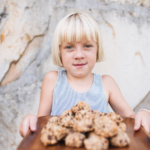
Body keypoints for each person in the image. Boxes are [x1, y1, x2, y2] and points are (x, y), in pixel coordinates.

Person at [19, 12, 150, 137]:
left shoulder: (107, 83)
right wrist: (31, 120)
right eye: (69, 47)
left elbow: (131, 121)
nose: (79, 55)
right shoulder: (52, 80)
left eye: (87, 46)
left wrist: (144, 113)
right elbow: (41, 124)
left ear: (97, 49)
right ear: (59, 52)